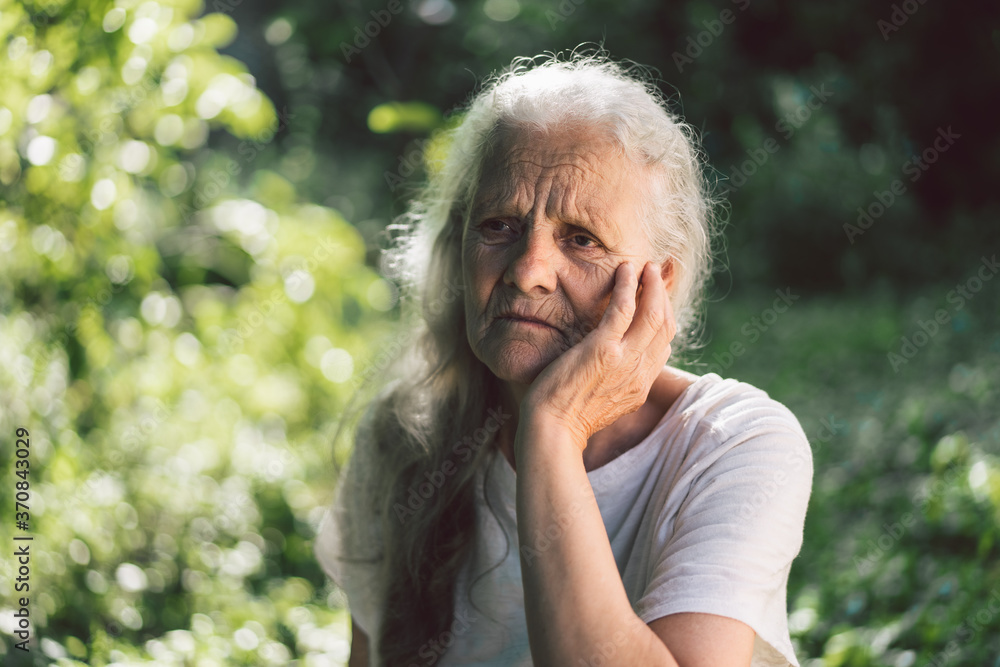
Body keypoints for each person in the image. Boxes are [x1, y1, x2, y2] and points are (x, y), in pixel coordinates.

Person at [316, 51, 813, 667]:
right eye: (499, 225)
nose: (527, 272)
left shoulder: (734, 445)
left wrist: (552, 429)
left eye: (582, 239)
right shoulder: (404, 438)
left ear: (656, 283)